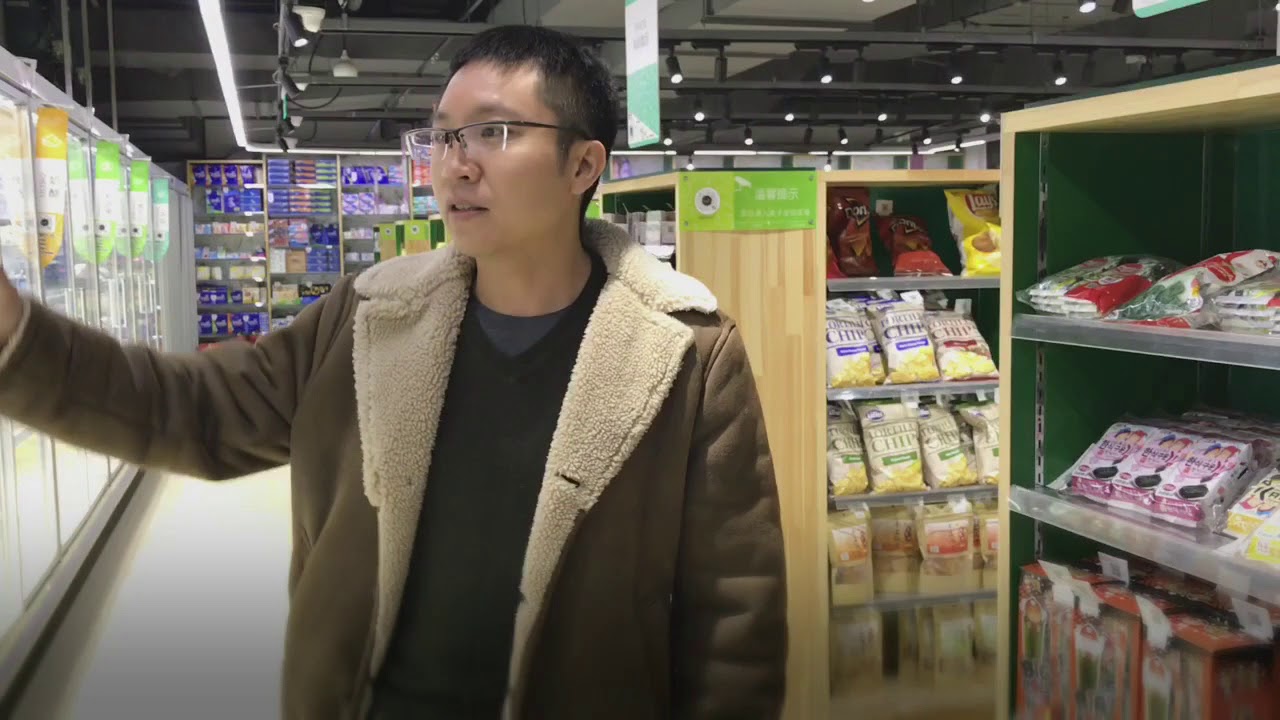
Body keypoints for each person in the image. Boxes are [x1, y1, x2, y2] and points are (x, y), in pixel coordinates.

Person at [0, 24, 787, 720]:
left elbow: (735, 619)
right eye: (442, 138)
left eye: (494, 133)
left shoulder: (686, 354)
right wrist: (18, 338)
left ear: (583, 164)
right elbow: (195, 411)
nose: (456, 166)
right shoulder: (366, 317)